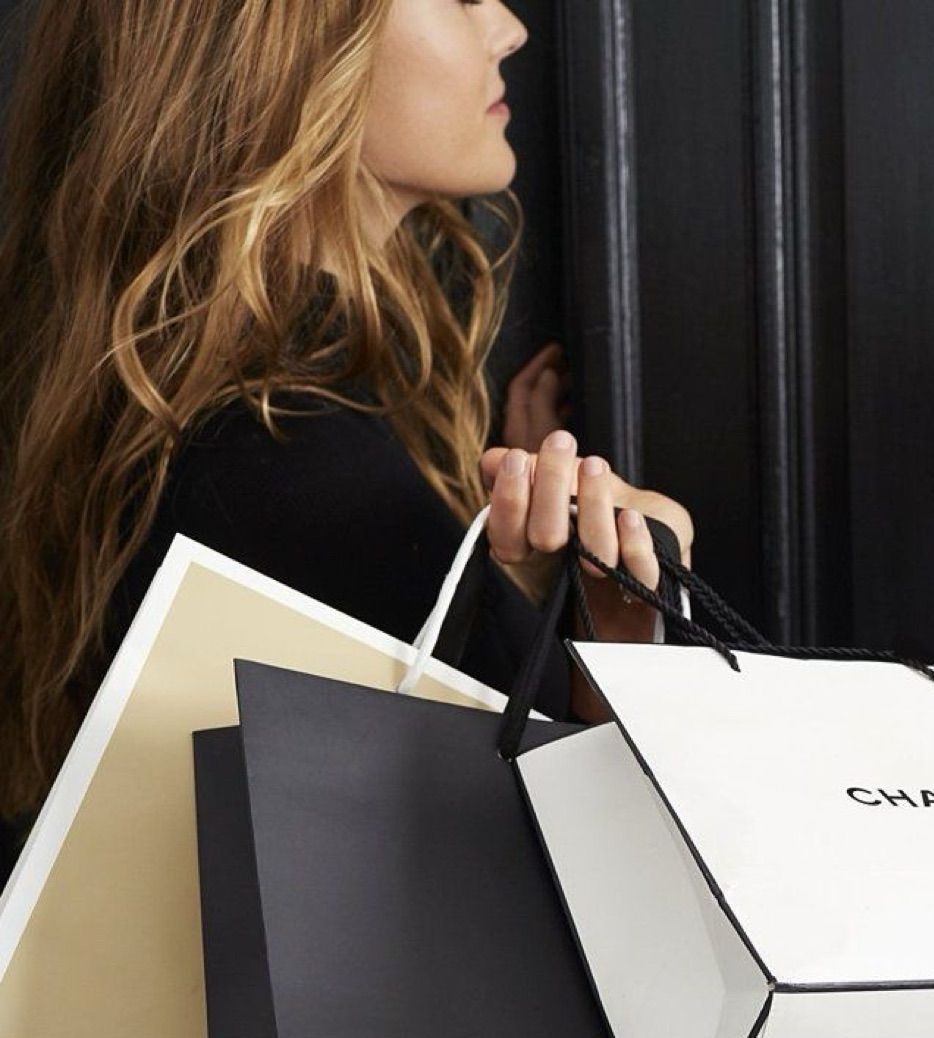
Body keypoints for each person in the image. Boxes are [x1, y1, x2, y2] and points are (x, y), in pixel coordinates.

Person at [0, 0, 694, 844]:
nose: (509, 27)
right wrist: (629, 640)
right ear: (281, 44)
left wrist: (537, 582)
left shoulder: (205, 410)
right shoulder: (294, 467)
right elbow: (567, 864)